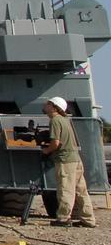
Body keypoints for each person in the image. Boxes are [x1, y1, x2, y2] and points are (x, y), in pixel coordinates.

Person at [41, 96, 97, 228]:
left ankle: (63, 218)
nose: (45, 105)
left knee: (65, 189)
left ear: (54, 107)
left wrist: (46, 151)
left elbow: (56, 143)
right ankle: (88, 219)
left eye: (48, 103)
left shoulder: (55, 120)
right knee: (81, 191)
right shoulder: (65, 120)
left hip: (65, 160)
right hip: (76, 159)